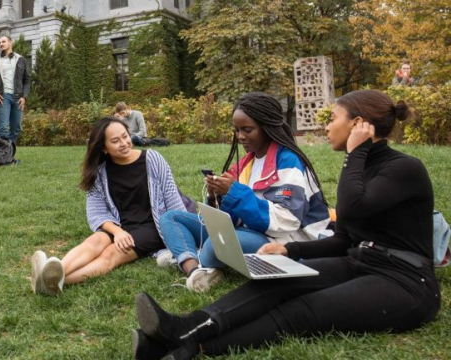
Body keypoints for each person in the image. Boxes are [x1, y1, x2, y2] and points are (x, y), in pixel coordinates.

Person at [132, 89, 440, 360]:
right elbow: (343, 237)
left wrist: (355, 153)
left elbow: (354, 206)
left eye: (333, 118)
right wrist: (289, 250)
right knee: (277, 282)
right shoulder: (362, 169)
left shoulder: (404, 168)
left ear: (360, 124)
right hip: (357, 260)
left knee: (303, 309)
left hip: (405, 281)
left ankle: (190, 349)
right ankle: (186, 326)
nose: (326, 125)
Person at [157, 92, 331, 292]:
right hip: (251, 230)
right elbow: (234, 217)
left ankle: (190, 257)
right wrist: (218, 196)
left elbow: (287, 220)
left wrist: (234, 192)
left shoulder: (288, 161)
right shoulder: (247, 162)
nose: (240, 136)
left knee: (216, 245)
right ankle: (196, 269)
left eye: (247, 129)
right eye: (237, 130)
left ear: (267, 127)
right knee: (172, 218)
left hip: (285, 239)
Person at [30, 116, 187, 296]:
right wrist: (117, 232)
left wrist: (185, 232)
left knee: (110, 255)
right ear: (104, 148)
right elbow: (97, 213)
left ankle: (53, 282)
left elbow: (173, 200)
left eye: (125, 136)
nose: (124, 143)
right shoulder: (101, 172)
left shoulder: (153, 159)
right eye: (115, 141)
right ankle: (50, 272)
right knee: (94, 241)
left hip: (152, 227)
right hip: (119, 226)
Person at [0, 35, 31, 161]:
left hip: (17, 97)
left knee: (16, 127)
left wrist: (24, 96)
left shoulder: (21, 59)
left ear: (10, 42)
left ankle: (8, 155)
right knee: (3, 127)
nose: (0, 44)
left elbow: (27, 80)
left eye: (3, 41)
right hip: (2, 96)